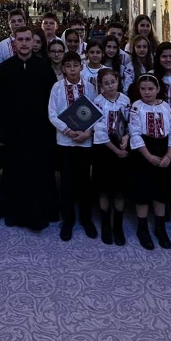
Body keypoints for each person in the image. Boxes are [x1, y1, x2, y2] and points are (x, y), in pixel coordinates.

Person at [0, 27, 59, 231]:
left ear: (33, 42)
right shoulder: (5, 69)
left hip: (40, 131)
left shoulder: (44, 68)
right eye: (19, 40)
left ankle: (41, 211)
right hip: (14, 131)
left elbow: (53, 102)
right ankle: (14, 212)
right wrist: (1, 131)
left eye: (27, 40)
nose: (23, 43)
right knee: (15, 172)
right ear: (14, 43)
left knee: (39, 172)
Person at [127, 74, 171, 250]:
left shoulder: (165, 106)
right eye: (143, 89)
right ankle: (142, 228)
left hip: (163, 149)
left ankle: (160, 227)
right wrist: (148, 156)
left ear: (158, 89)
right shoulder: (136, 107)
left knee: (161, 191)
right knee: (142, 191)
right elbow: (134, 133)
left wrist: (169, 155)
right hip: (143, 151)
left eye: (150, 89)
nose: (147, 92)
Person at [49, 52, 97, 242]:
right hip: (65, 140)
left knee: (85, 181)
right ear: (63, 68)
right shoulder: (57, 87)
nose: (72, 69)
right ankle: (68, 220)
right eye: (67, 66)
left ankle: (87, 219)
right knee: (67, 182)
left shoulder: (89, 86)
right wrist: (67, 131)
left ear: (81, 67)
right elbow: (52, 114)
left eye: (75, 65)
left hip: (85, 141)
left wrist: (87, 133)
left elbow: (96, 110)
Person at [91, 68, 130, 246]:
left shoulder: (125, 100)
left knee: (120, 189)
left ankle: (118, 225)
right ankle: (106, 222)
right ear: (100, 86)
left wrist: (126, 138)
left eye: (113, 82)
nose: (110, 86)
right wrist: (116, 150)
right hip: (105, 150)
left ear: (118, 82)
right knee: (104, 188)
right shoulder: (97, 102)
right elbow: (98, 130)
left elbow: (130, 122)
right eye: (106, 83)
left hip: (122, 146)